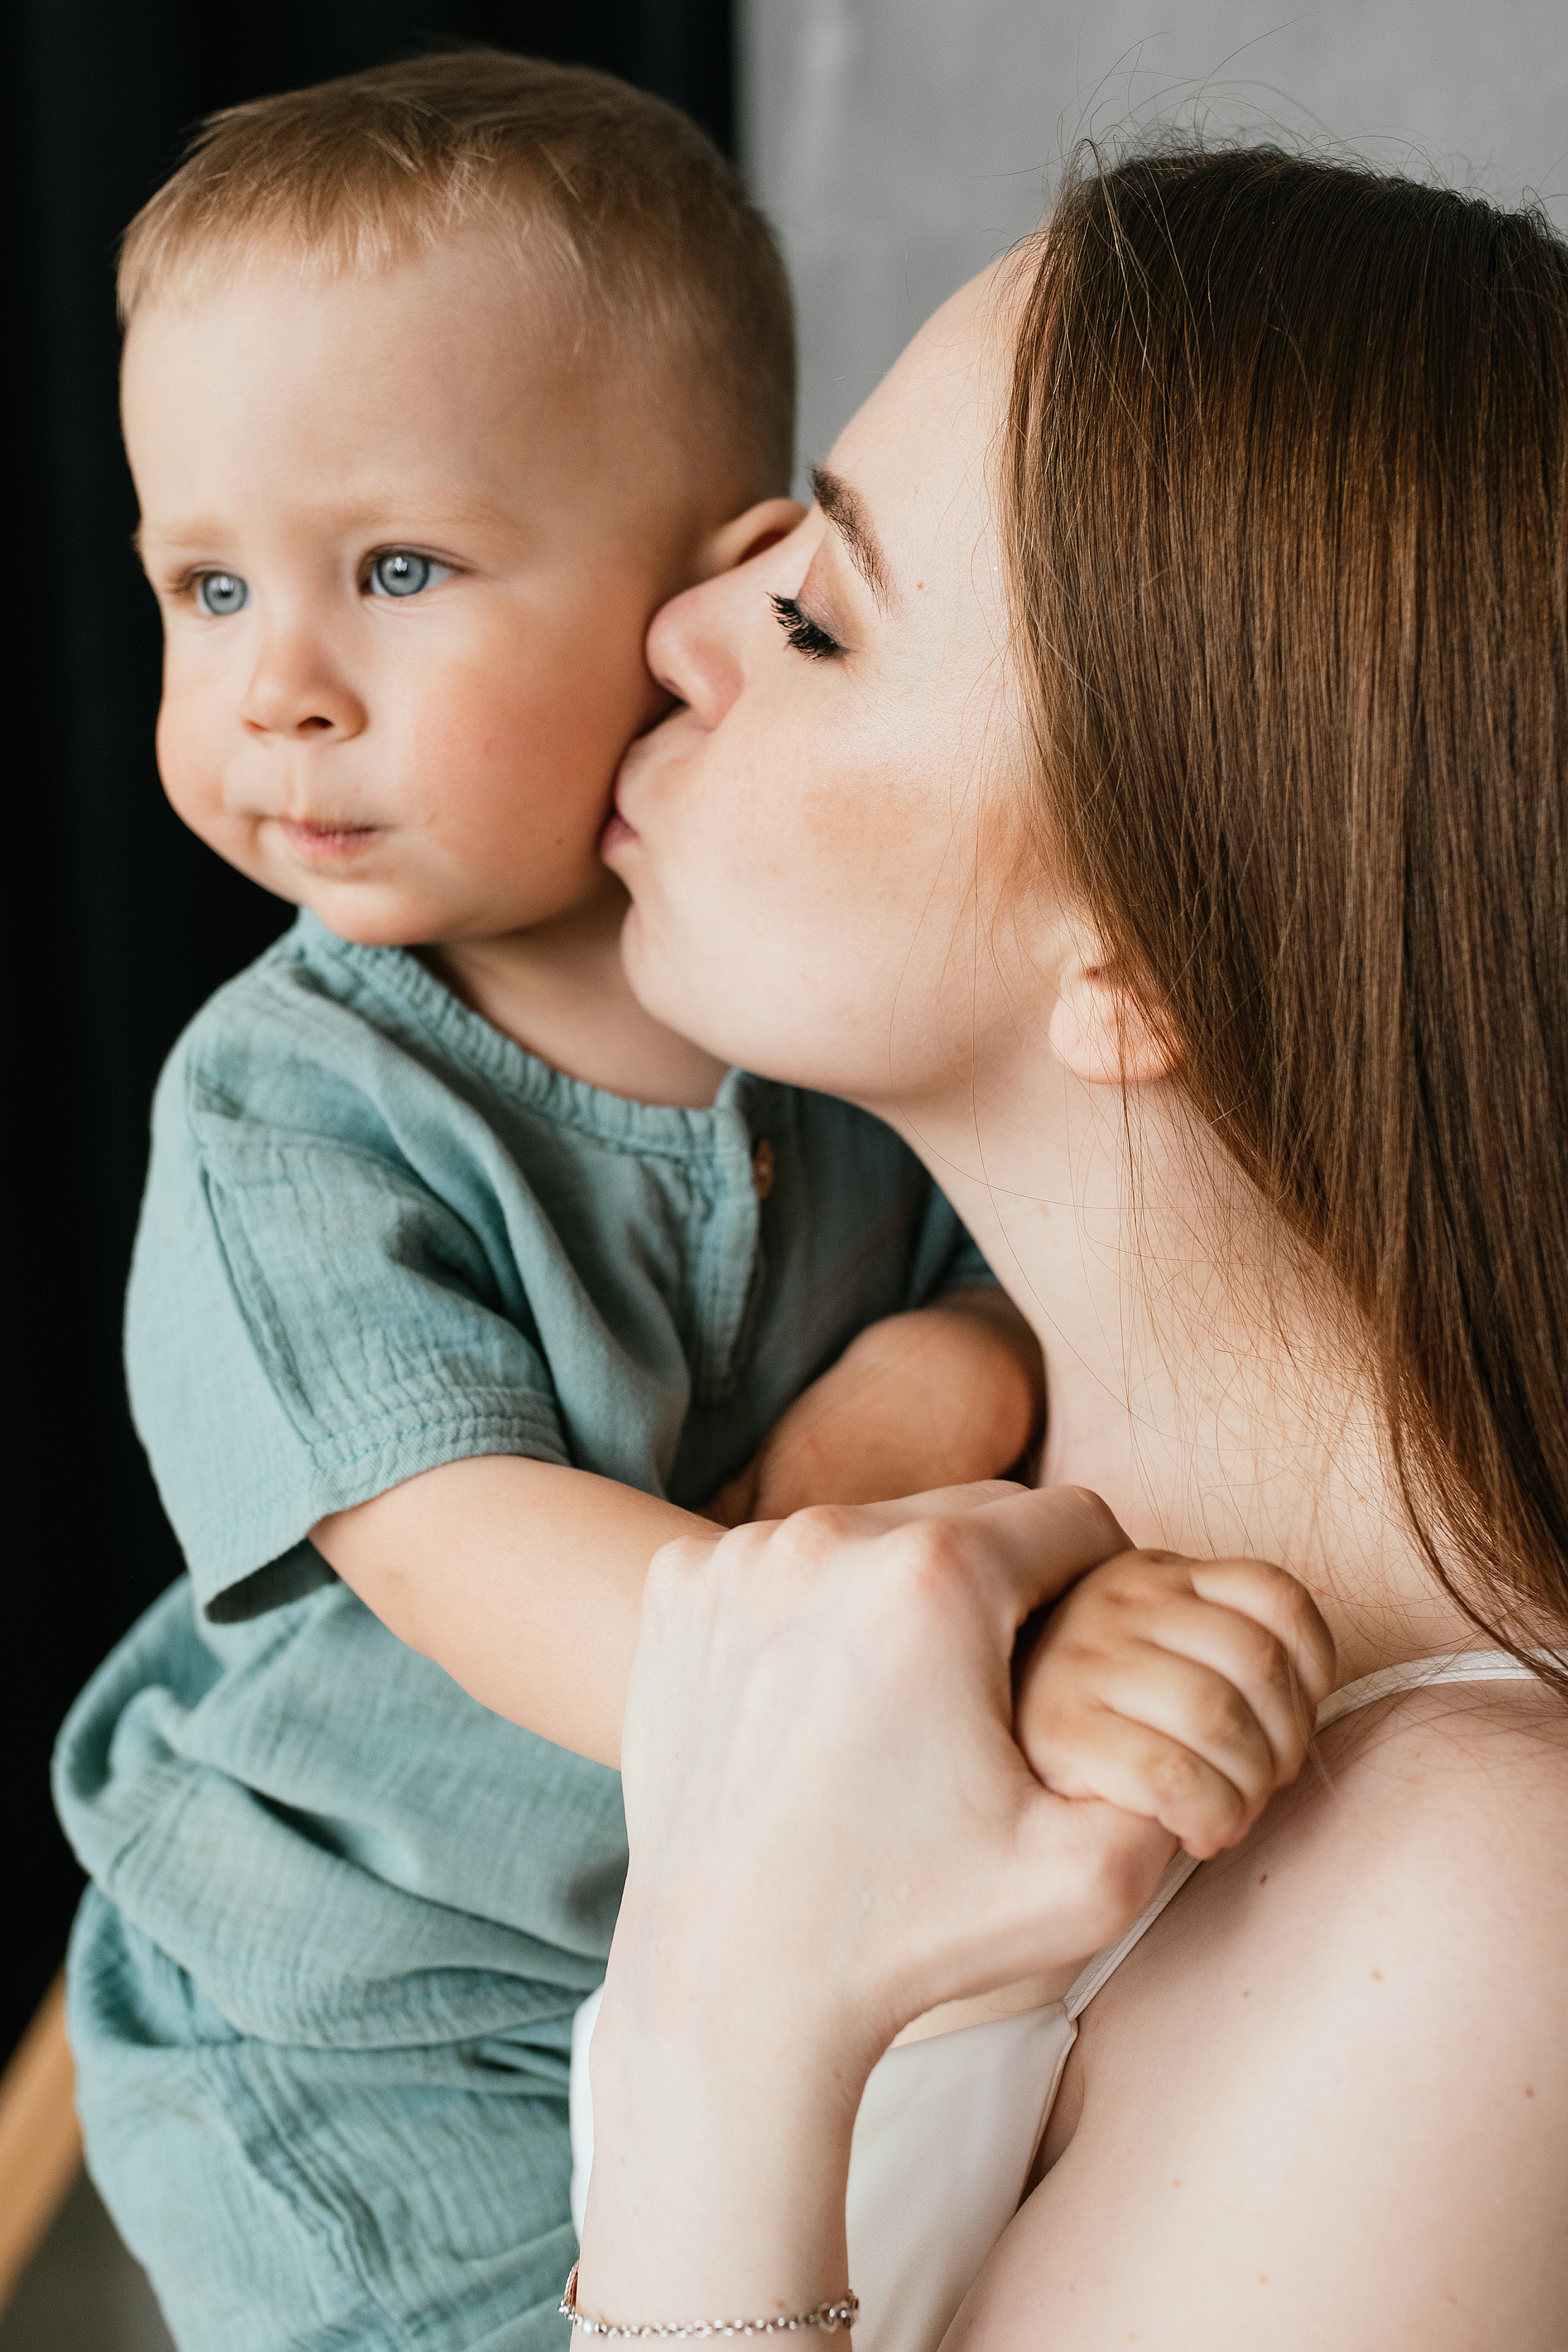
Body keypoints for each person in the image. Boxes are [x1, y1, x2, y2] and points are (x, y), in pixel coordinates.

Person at [51, 64, 1327, 2351]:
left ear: (707, 590)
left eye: (398, 571)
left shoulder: (824, 999)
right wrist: (969, 1651)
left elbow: (1029, 1289)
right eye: (205, 586)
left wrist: (933, 1381)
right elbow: (471, 1561)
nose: (278, 690)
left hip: (693, 1952)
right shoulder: (289, 1112)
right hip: (362, 2019)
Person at [570, 147, 1568, 2348]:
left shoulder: (1479, 1918)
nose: (676, 628)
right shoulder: (915, 1533)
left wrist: (726, 2033)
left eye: (818, 620)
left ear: (1140, 959)